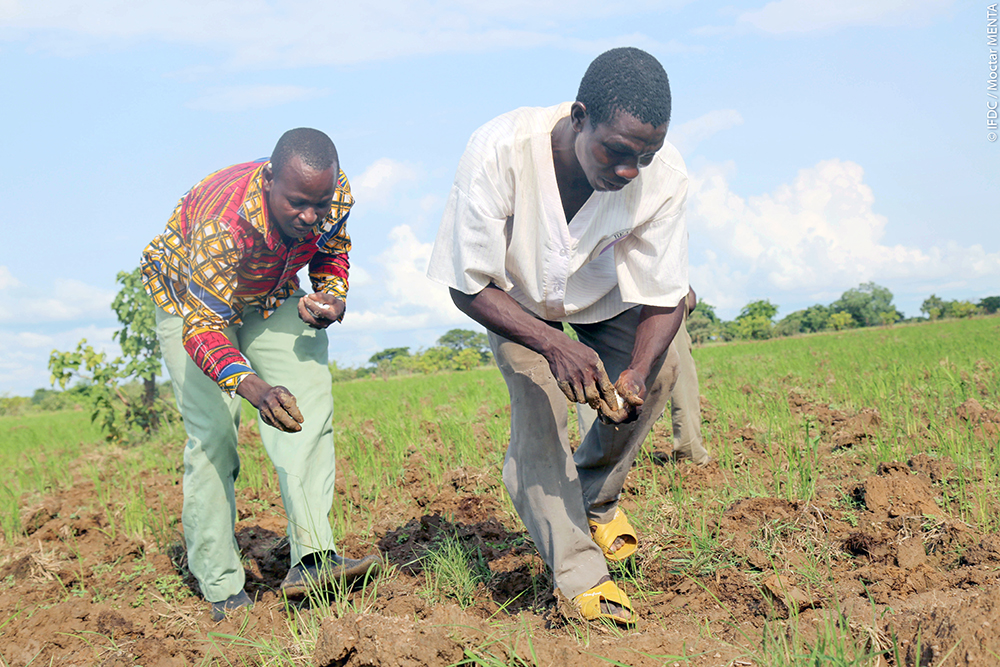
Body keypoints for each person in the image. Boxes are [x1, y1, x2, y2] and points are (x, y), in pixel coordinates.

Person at [428, 47, 689, 624]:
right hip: (514, 301)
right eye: (616, 151)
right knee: (541, 404)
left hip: (600, 292)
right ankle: (578, 574)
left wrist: (636, 373)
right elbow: (466, 284)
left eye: (644, 157)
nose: (628, 171)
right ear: (579, 116)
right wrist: (552, 344)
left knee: (661, 370)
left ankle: (593, 496)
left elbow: (666, 294)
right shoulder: (499, 150)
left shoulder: (664, 180)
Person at [141, 128, 380, 621]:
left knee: (307, 404)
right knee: (213, 436)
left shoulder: (332, 196)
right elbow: (203, 328)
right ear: (270, 179)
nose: (310, 215)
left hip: (267, 293)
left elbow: (332, 252)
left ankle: (313, 557)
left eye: (320, 202)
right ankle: (221, 584)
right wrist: (254, 387)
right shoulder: (221, 223)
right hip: (190, 301)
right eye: (298, 203)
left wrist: (330, 297)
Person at [577, 287, 710, 466]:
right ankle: (690, 453)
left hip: (586, 289)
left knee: (592, 363)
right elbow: (684, 293)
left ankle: (597, 462)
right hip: (649, 292)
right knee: (672, 354)